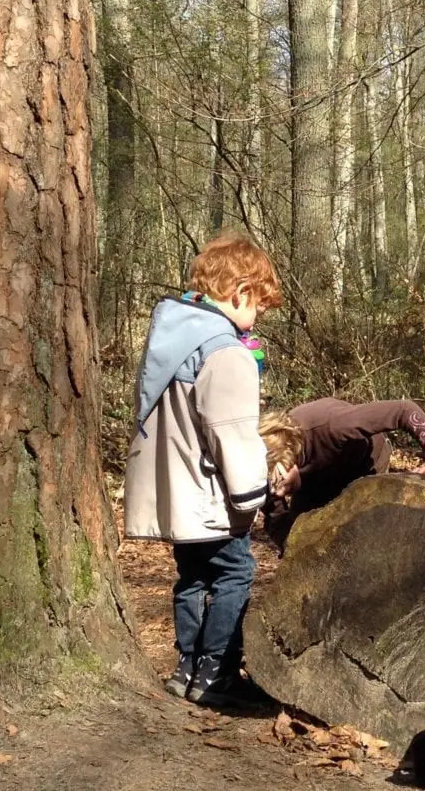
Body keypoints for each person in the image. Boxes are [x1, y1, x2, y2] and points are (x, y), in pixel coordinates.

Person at [123, 233, 282, 707]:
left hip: (176, 491)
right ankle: (216, 673)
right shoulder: (225, 351)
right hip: (212, 492)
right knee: (235, 573)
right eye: (259, 305)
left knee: (192, 577)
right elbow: (231, 431)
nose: (257, 316)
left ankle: (186, 668)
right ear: (241, 292)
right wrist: (252, 494)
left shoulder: (171, 343)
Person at [259, 398, 425, 546]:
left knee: (365, 529)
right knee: (303, 535)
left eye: (279, 482)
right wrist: (289, 548)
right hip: (316, 478)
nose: (278, 493)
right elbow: (278, 519)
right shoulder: (264, 471)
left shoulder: (334, 426)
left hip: (364, 464)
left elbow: (403, 410)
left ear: (290, 460)